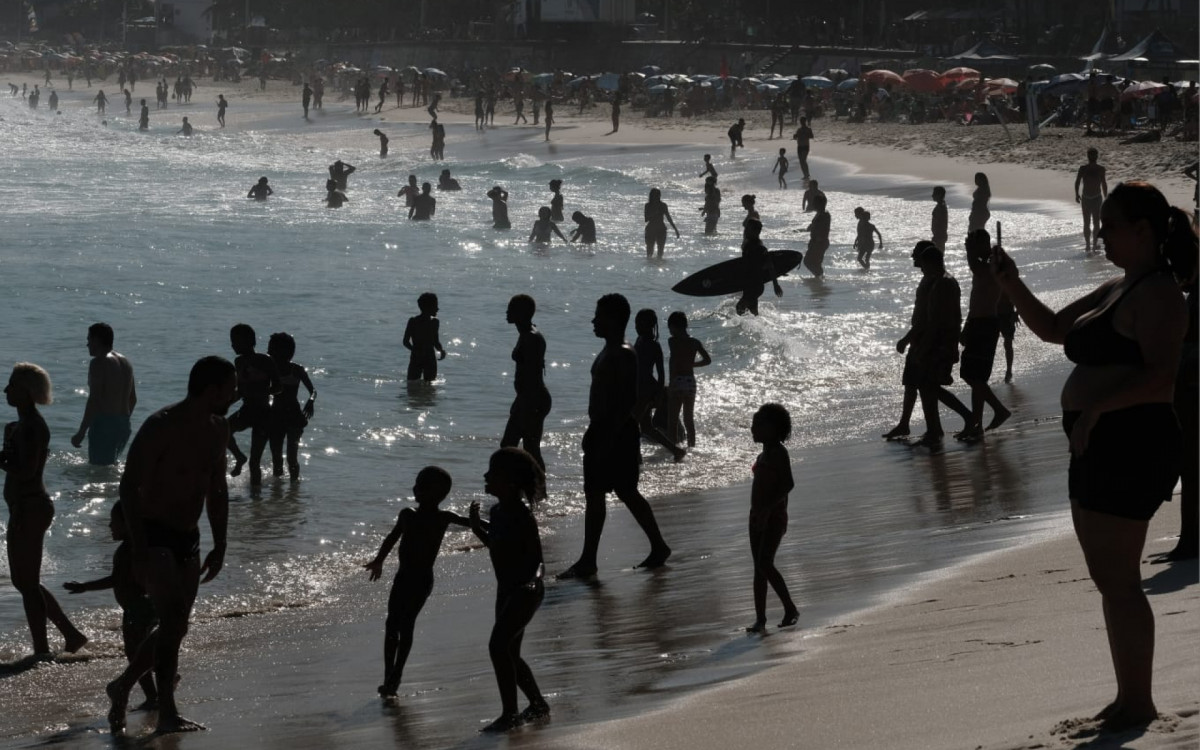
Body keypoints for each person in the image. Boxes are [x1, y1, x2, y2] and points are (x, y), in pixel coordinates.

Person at [990, 180, 1194, 732]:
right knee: (1111, 578)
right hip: (1099, 440)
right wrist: (1010, 283)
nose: (1101, 235)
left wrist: (1100, 409)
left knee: (1121, 579)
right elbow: (1055, 329)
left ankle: (1139, 703)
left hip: (1133, 441)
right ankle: (1129, 697)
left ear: (1143, 232)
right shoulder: (1117, 287)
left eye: (1110, 226)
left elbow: (1161, 379)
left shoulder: (1159, 295)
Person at [103, 356, 234, 734]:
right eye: (231, 388)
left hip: (188, 538)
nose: (236, 394)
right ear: (212, 390)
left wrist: (221, 542)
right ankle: (167, 713)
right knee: (174, 618)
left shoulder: (218, 428)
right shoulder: (161, 427)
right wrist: (139, 548)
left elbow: (217, 489)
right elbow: (128, 486)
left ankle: (122, 685)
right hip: (152, 533)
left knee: (176, 627)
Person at [558, 294, 672, 578]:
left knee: (608, 493)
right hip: (608, 430)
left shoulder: (622, 352)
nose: (594, 321)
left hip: (614, 432)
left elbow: (627, 401)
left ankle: (590, 560)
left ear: (613, 319)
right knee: (612, 492)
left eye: (599, 316)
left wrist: (608, 436)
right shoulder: (611, 349)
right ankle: (651, 547)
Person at [2, 363, 89, 657]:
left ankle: (43, 647)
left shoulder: (33, 427)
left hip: (31, 506)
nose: (5, 390)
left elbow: (26, 471)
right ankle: (69, 635)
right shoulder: (15, 427)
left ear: (26, 392)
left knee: (26, 583)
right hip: (22, 506)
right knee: (24, 581)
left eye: (11, 385)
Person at [364, 466, 470, 697]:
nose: (415, 488)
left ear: (439, 495)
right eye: (416, 484)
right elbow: (392, 538)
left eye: (421, 486)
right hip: (402, 578)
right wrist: (379, 560)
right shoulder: (407, 514)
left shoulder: (444, 517)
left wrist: (501, 524)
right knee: (392, 624)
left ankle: (397, 673)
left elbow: (473, 523)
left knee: (406, 624)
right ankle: (388, 674)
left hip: (422, 580)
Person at [468, 448, 550, 732]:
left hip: (526, 591)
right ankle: (537, 704)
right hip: (506, 591)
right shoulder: (498, 511)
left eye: (493, 473)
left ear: (511, 481)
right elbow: (496, 544)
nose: (486, 476)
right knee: (510, 652)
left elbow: (538, 559)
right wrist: (478, 527)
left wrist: (533, 581)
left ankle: (510, 714)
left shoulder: (521, 515)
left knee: (497, 646)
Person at [64, 502, 162, 709]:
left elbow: (115, 580)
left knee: (134, 654)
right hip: (147, 606)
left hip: (136, 609)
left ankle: (154, 694)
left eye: (113, 522)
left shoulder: (126, 551)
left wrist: (85, 587)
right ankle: (159, 682)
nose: (110, 526)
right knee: (142, 651)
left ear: (128, 524)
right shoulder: (141, 547)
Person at [884, 242, 972, 446]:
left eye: (921, 260)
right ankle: (934, 429)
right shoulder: (937, 281)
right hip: (930, 339)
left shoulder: (942, 283)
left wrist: (918, 342)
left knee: (929, 386)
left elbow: (934, 320)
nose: (919, 265)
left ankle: (963, 418)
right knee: (923, 385)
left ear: (931, 262)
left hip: (937, 342)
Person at [745, 403, 800, 633]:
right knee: (759, 567)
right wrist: (759, 512)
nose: (752, 429)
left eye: (758, 425)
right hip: (757, 515)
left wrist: (768, 509)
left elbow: (788, 483)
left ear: (774, 428)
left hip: (774, 516)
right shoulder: (763, 454)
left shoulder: (778, 452)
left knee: (765, 562)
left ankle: (790, 608)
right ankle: (760, 618)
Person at [957, 229, 1011, 440]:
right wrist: (967, 325)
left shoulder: (991, 264)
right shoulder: (987, 262)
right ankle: (976, 425)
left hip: (986, 324)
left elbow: (974, 265)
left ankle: (998, 410)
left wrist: (969, 250)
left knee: (972, 375)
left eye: (975, 244)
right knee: (975, 376)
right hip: (978, 321)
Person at [71, 322, 137, 465]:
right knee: (109, 467)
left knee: (98, 473)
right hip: (124, 424)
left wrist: (81, 432)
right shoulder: (126, 363)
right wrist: (120, 422)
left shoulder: (98, 363)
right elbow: (133, 399)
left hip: (104, 424)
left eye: (89, 340)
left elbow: (94, 399)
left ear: (97, 340)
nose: (87, 344)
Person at [500, 295, 552, 470]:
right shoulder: (525, 333)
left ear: (522, 313)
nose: (507, 312)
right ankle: (520, 489)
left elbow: (531, 376)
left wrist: (523, 404)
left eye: (511, 308)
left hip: (533, 398)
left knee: (529, 449)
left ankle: (538, 491)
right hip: (527, 397)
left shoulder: (531, 337)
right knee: (509, 446)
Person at [225, 324, 279, 486]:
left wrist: (262, 392)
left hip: (263, 413)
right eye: (232, 341)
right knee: (225, 430)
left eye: (236, 341)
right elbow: (240, 390)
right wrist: (225, 404)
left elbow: (278, 387)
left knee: (254, 462)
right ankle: (239, 457)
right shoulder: (239, 361)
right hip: (246, 410)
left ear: (250, 342)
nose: (232, 345)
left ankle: (256, 500)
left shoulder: (265, 360)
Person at [633, 309, 686, 461]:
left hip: (647, 390)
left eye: (638, 323)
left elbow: (661, 373)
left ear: (648, 325)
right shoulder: (639, 340)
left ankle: (637, 458)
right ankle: (676, 451)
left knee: (632, 425)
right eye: (635, 323)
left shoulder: (654, 346)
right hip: (638, 389)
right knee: (647, 427)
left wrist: (658, 395)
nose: (636, 326)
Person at [266, 333, 315, 480]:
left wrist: (311, 401)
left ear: (287, 352)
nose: (269, 352)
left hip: (294, 416)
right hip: (275, 415)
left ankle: (294, 490)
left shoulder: (297, 370)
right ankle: (278, 494)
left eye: (272, 350)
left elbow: (313, 391)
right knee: (276, 458)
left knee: (292, 459)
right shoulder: (270, 369)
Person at [667, 311, 712, 448]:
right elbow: (708, 360)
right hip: (690, 382)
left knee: (672, 420)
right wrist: (693, 364)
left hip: (678, 381)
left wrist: (671, 384)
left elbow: (673, 364)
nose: (669, 331)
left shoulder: (672, 341)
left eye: (670, 327)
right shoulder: (695, 342)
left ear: (674, 326)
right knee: (688, 419)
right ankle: (692, 447)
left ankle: (673, 449)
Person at [738, 219, 785, 315]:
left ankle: (744, 327)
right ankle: (755, 328)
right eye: (745, 229)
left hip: (755, 285)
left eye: (748, 229)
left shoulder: (760, 248)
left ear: (756, 232)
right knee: (753, 311)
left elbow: (770, 266)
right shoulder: (748, 245)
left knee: (740, 308)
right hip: (749, 284)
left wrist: (775, 285)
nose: (745, 231)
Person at [403, 292, 447, 383]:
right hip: (427, 357)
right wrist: (440, 350)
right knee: (428, 386)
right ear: (428, 308)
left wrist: (441, 350)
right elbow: (435, 341)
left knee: (412, 384)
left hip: (421, 356)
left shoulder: (416, 321)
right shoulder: (431, 322)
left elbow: (406, 342)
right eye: (435, 306)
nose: (437, 309)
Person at [1075, 148, 1109, 253]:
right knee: (1094, 222)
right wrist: (1106, 196)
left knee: (1088, 222)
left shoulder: (1084, 168)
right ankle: (1092, 244)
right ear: (1096, 156)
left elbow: (1077, 182)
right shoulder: (1099, 169)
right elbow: (1104, 184)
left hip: (1090, 198)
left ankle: (1089, 245)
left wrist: (1077, 194)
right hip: (1094, 198)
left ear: (1087, 156)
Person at [644, 188, 680, 259]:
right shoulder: (648, 205)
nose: (657, 197)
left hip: (661, 229)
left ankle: (658, 265)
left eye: (658, 195)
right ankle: (649, 267)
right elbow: (646, 219)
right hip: (650, 230)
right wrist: (654, 213)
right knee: (649, 253)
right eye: (654, 195)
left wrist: (675, 229)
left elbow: (669, 218)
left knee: (660, 253)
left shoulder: (663, 205)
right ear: (651, 196)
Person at [801, 193, 831, 278]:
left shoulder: (824, 214)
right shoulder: (820, 213)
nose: (812, 204)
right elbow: (815, 225)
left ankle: (819, 277)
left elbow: (823, 229)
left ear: (820, 204)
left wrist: (817, 241)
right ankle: (819, 281)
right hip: (817, 241)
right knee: (815, 263)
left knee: (808, 261)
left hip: (820, 242)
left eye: (814, 202)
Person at [931, 186, 949, 251]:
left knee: (938, 255)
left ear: (939, 195)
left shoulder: (941, 207)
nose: (932, 195)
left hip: (939, 236)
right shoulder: (941, 205)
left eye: (934, 194)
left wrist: (937, 236)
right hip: (939, 235)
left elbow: (940, 223)